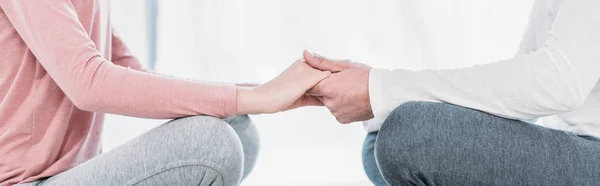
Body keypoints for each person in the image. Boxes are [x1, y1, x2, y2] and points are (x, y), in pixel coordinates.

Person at [0, 0, 331, 185]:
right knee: (211, 144)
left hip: (71, 174)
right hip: (28, 183)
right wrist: (256, 99)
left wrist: (262, 92)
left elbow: (133, 74)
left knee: (238, 127)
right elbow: (89, 83)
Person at [303, 0, 600, 185]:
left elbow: (559, 81)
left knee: (409, 136)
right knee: (378, 139)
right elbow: (527, 87)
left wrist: (379, 89)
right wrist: (380, 95)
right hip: (575, 144)